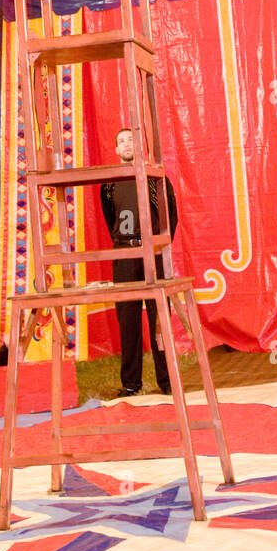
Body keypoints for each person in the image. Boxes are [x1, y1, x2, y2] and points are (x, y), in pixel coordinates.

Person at [99, 127, 178, 397]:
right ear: (116, 150)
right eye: (121, 141)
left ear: (139, 145)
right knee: (128, 319)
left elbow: (170, 215)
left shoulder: (154, 177)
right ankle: (131, 384)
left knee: (159, 318)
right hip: (124, 255)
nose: (126, 144)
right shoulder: (109, 183)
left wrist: (157, 246)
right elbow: (110, 218)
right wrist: (126, 243)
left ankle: (167, 382)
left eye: (131, 139)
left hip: (152, 253)